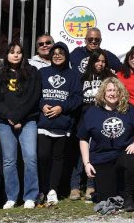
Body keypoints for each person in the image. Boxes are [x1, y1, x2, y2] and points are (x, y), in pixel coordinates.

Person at [78, 78, 134, 211]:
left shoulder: (129, 109)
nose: (112, 93)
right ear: (103, 93)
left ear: (121, 93)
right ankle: (112, 191)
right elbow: (83, 139)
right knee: (107, 199)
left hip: (123, 154)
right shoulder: (92, 112)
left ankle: (128, 196)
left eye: (116, 90)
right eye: (109, 90)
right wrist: (87, 163)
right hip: (101, 157)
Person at [0, 42, 41, 209]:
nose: (16, 55)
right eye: (12, 52)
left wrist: (18, 117)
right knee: (9, 161)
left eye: (19, 52)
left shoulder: (32, 72)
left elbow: (33, 97)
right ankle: (11, 197)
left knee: (30, 158)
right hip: (6, 123)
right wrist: (10, 117)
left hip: (27, 121)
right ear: (7, 55)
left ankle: (30, 196)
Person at [37, 42, 82, 206]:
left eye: (61, 53)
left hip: (63, 125)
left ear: (66, 56)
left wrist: (61, 108)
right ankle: (43, 188)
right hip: (43, 124)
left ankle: (52, 190)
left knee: (58, 159)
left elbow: (77, 98)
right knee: (43, 156)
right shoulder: (42, 73)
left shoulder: (74, 75)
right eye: (54, 52)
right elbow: (35, 94)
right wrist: (42, 105)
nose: (57, 55)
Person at [70, 49, 113, 202]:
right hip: (82, 119)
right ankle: (74, 186)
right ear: (91, 61)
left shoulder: (109, 78)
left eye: (103, 61)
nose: (100, 64)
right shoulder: (81, 78)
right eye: (97, 60)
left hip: (100, 119)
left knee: (94, 151)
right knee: (79, 153)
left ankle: (91, 185)